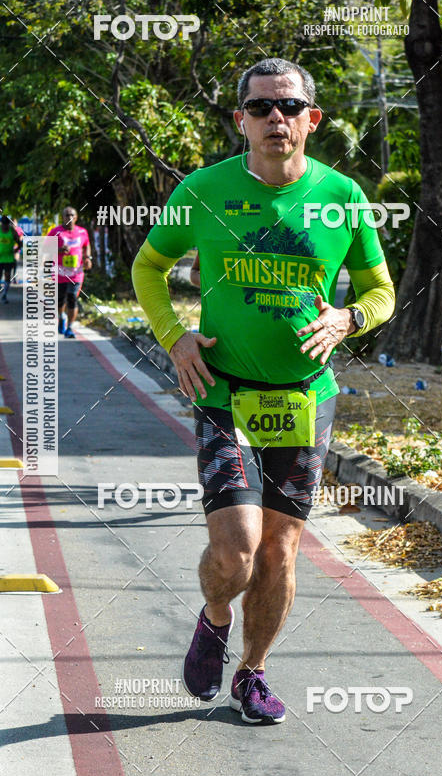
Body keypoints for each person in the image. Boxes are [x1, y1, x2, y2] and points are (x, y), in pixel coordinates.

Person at [132, 57, 396, 725]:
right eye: (259, 108)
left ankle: (252, 673)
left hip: (307, 395)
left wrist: (348, 318)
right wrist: (175, 337)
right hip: (225, 392)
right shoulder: (203, 191)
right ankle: (215, 614)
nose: (274, 118)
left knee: (279, 547)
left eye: (287, 106)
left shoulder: (342, 196)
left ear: (312, 118)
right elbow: (149, 265)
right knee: (237, 549)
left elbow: (381, 290)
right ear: (240, 121)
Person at [46, 207, 92, 338]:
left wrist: (88, 258)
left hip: (76, 273)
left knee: (72, 298)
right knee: (60, 301)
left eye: (72, 215)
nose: (69, 218)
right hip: (59, 273)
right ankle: (61, 317)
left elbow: (86, 245)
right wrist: (59, 250)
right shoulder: (55, 232)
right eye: (67, 215)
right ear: (63, 217)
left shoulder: (82, 232)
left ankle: (70, 327)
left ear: (76, 218)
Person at [0, 215, 22, 302]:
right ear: (1, 223)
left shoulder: (12, 231)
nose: (5, 226)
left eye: (7, 224)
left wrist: (15, 250)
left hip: (9, 258)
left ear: (9, 224)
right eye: (4, 224)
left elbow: (20, 243)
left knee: (7, 276)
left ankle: (5, 295)